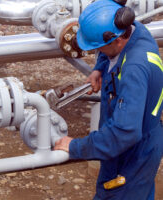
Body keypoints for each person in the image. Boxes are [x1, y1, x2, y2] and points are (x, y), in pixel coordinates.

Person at [54, 0, 163, 199]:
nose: (100, 52)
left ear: (116, 40)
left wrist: (75, 147)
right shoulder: (134, 31)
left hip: (133, 154)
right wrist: (100, 68)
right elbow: (110, 51)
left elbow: (125, 132)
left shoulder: (134, 70)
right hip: (140, 141)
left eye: (100, 48)